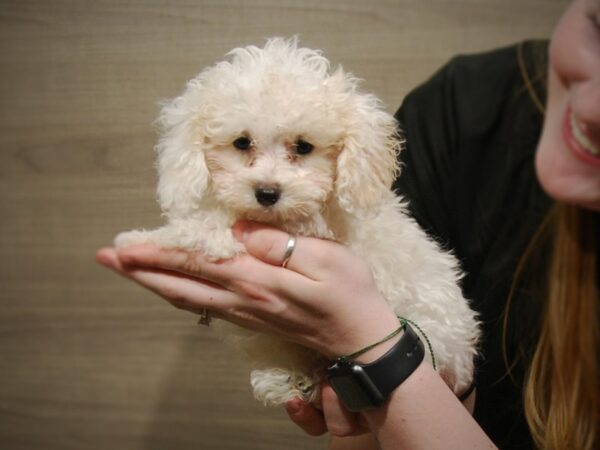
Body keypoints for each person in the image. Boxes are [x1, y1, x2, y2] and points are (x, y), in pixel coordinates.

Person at [96, 0, 599, 448]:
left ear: (346, 152)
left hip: (432, 354)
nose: (268, 179)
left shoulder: (340, 211)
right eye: (243, 145)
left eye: (304, 149)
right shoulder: (461, 106)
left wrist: (381, 356)